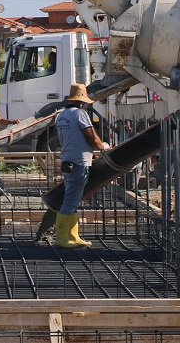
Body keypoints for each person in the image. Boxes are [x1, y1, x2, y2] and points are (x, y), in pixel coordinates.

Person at [53, 83, 109, 248]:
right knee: (70, 200)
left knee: (74, 199)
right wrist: (103, 147)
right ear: (82, 102)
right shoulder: (80, 114)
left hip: (68, 161)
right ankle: (61, 238)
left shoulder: (61, 115)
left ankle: (73, 235)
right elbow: (92, 137)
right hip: (78, 163)